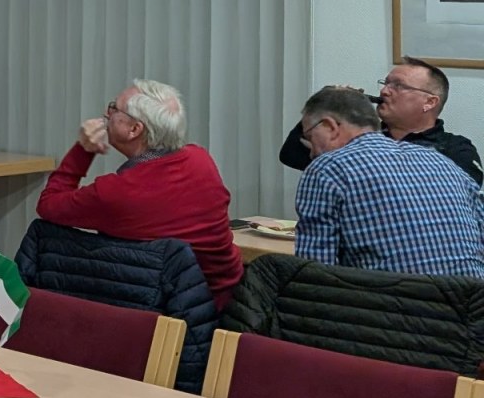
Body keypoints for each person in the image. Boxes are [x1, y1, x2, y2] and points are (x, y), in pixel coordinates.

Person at [35, 79, 244, 307]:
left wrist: (83, 150)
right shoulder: (201, 159)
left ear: (134, 129)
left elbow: (48, 204)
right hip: (228, 303)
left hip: (167, 312)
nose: (106, 114)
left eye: (114, 108)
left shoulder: (115, 193)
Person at [293, 86, 484, 277]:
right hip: (471, 293)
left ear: (330, 126)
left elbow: (316, 272)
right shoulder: (445, 163)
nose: (312, 152)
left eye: (310, 137)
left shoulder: (327, 168)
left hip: (390, 294)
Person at [278, 58, 483, 185]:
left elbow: (461, 195)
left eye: (398, 86)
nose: (384, 91)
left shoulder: (456, 149)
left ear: (429, 102)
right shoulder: (359, 137)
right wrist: (328, 106)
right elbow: (291, 155)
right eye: (386, 83)